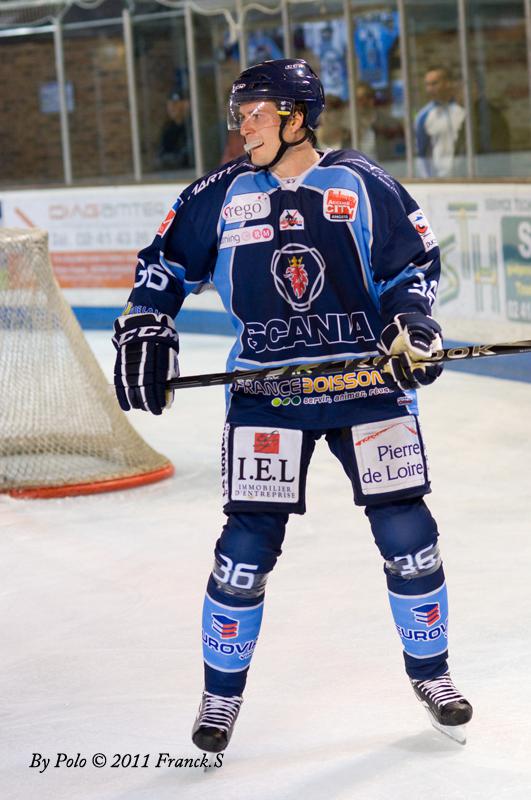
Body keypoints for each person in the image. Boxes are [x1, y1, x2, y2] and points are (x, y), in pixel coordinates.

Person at [112, 59, 472, 755]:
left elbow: (412, 268)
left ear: (296, 117)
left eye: (254, 112)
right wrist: (147, 321)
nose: (240, 125)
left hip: (365, 386)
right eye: (238, 113)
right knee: (244, 550)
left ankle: (433, 675)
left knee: (408, 537)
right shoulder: (218, 193)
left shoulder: (361, 182)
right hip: (267, 396)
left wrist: (412, 325)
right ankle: (220, 696)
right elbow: (161, 268)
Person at [415, 66, 465, 177]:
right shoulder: (423, 116)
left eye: (434, 84)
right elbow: (421, 153)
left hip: (466, 176)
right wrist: (427, 180)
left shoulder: (463, 111)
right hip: (440, 180)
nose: (429, 89)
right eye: (427, 85)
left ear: (448, 83)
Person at [356, 81, 405, 162]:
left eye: (366, 97)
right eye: (359, 99)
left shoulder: (388, 121)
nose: (362, 102)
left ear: (372, 99)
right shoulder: (350, 124)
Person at [158, 92, 193, 170]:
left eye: (175, 104)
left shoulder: (193, 127)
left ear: (186, 105)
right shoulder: (169, 129)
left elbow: (188, 156)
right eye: (169, 104)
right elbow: (160, 156)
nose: (171, 108)